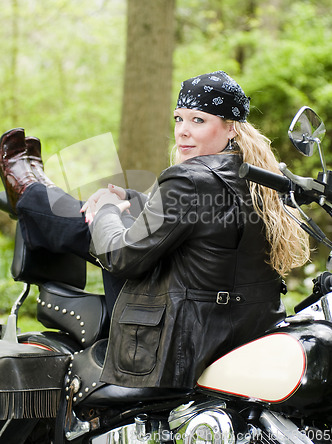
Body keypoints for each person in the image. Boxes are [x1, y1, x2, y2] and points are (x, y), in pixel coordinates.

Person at [0, 70, 310, 390]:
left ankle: (28, 190)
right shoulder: (258, 177)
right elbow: (189, 222)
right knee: (109, 214)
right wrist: (130, 199)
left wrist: (106, 208)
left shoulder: (189, 179)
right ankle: (40, 193)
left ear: (230, 127)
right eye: (179, 119)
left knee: (93, 221)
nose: (182, 132)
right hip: (235, 328)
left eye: (198, 120)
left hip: (186, 340)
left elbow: (120, 255)